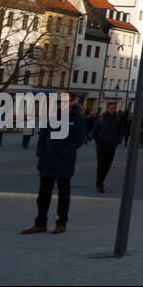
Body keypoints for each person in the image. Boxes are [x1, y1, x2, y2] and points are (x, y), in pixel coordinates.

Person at [21, 95, 87, 235]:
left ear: (72, 103)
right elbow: (42, 137)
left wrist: (65, 152)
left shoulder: (77, 120)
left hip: (64, 162)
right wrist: (41, 153)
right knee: (43, 194)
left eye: (66, 102)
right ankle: (40, 223)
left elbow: (78, 140)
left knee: (63, 194)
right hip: (47, 162)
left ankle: (61, 223)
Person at [89, 103, 121, 193]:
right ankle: (99, 184)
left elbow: (120, 131)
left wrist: (117, 141)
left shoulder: (117, 118)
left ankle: (101, 181)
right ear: (108, 108)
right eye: (112, 108)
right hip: (101, 146)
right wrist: (98, 142)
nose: (113, 110)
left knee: (108, 165)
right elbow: (94, 131)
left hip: (112, 146)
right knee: (101, 165)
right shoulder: (102, 118)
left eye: (115, 108)